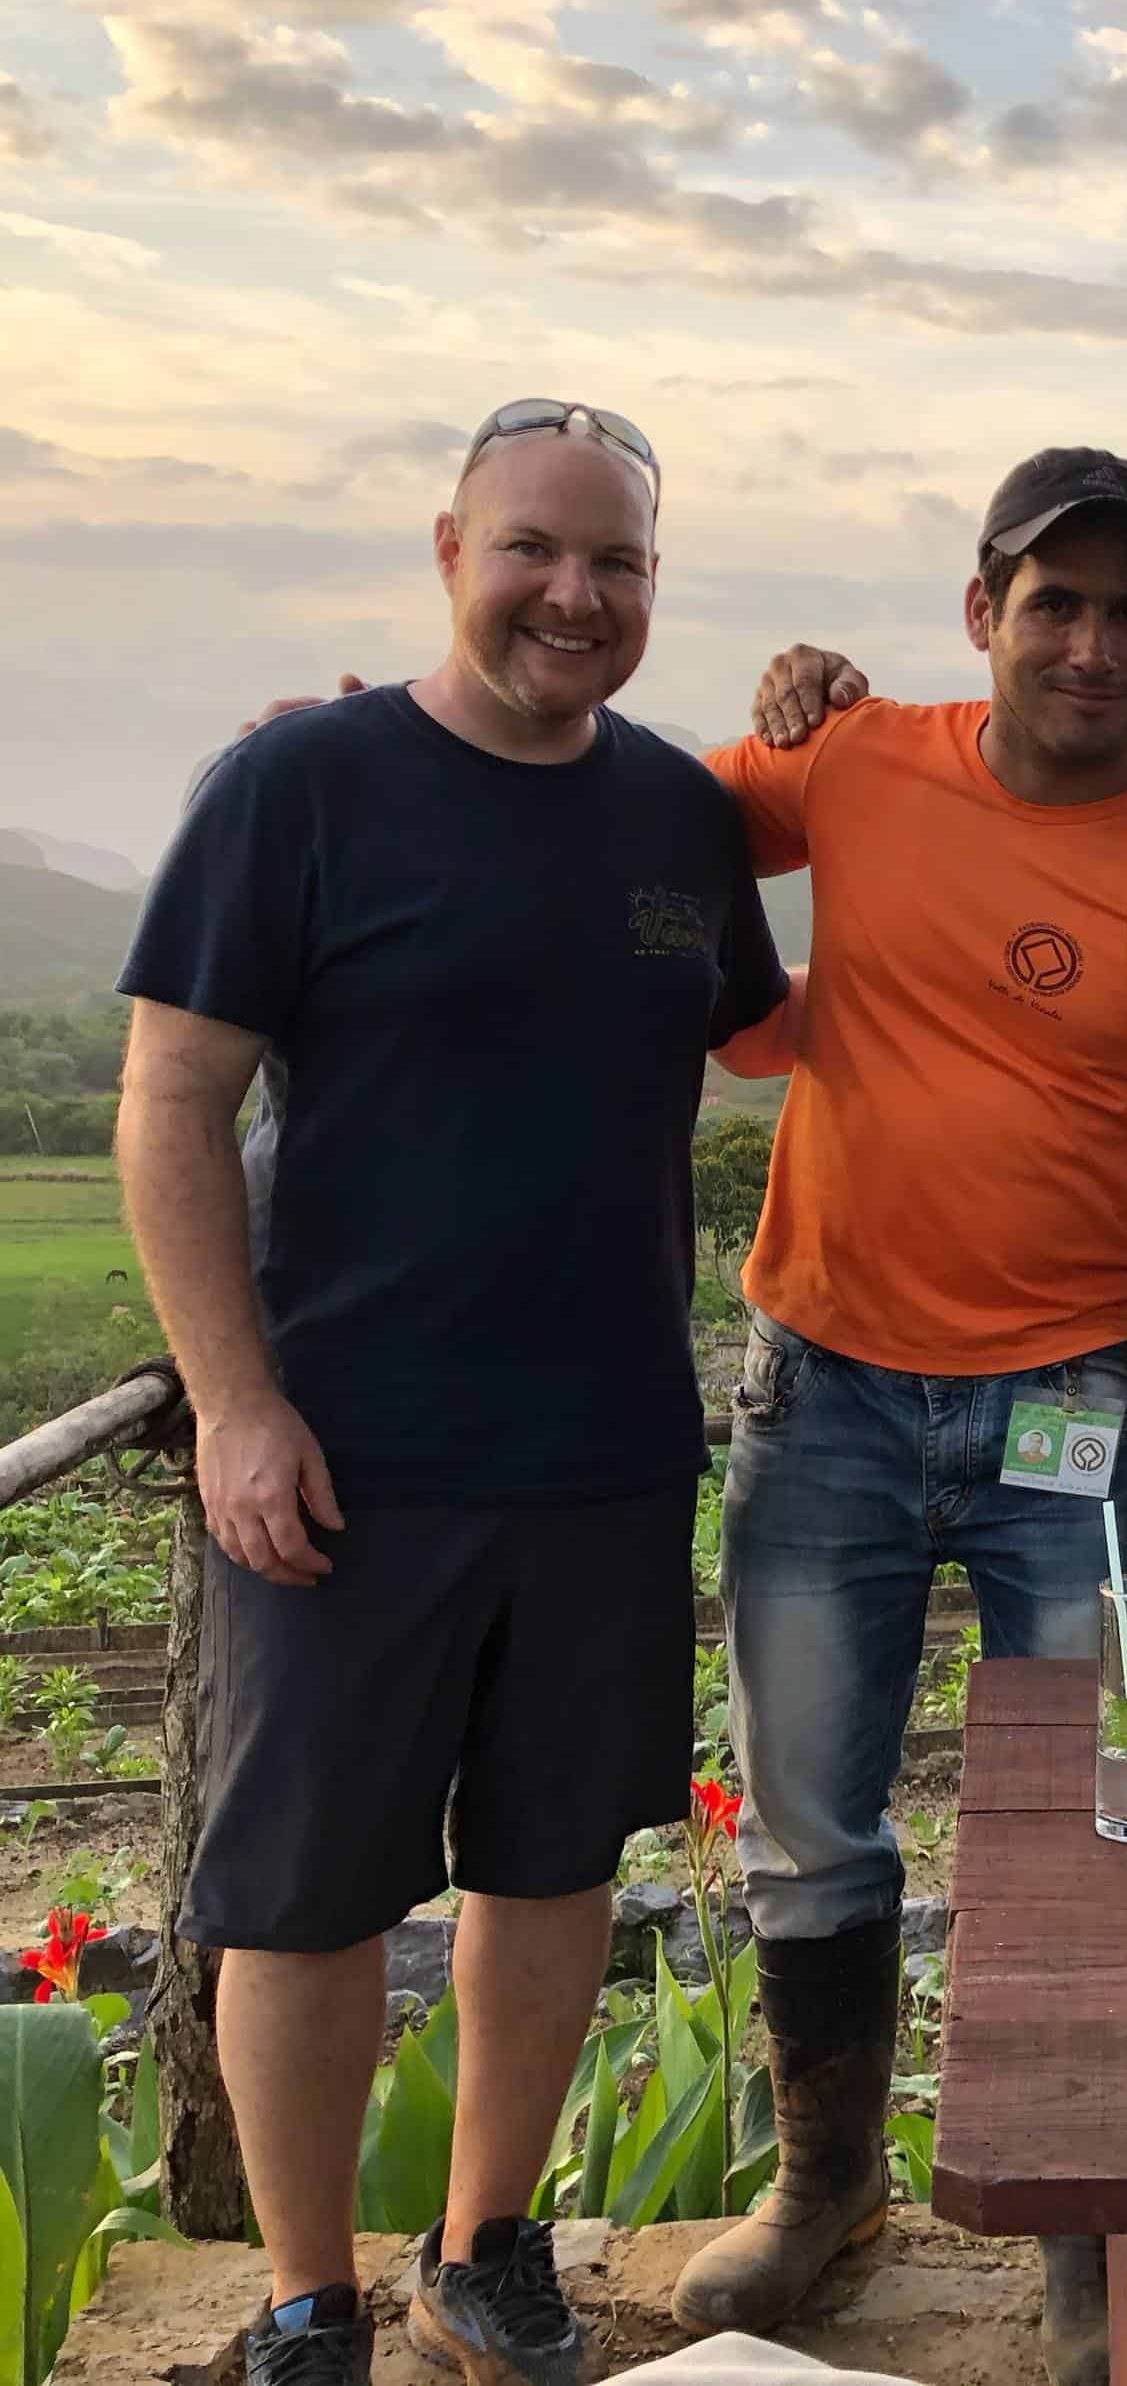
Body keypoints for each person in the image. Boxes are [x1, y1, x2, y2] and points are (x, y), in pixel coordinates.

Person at [115, 401, 791, 2386]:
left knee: (553, 1862)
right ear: (449, 550)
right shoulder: (303, 782)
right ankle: (308, 2294)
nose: (575, 594)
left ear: (654, 587)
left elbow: (774, 1031)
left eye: (619, 563)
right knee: (307, 1884)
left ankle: (485, 2244)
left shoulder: (673, 814)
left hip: (597, 1446)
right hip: (344, 1453)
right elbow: (169, 1097)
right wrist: (235, 1400)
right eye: (535, 550)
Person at [669, 449, 1127, 2374]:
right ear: (985, 614)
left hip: (1076, 1416)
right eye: (1056, 603)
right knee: (809, 1821)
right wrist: (368, 763)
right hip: (823, 1392)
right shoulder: (860, 763)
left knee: (1123, 1820)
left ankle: (1090, 2229)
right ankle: (825, 2188)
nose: (1094, 644)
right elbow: (638, 835)